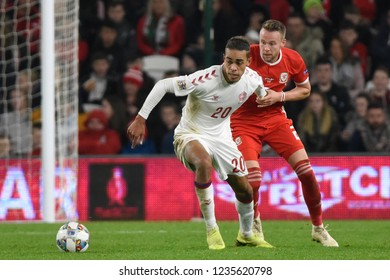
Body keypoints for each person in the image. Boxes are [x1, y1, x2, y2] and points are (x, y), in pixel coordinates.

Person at [128, 36, 273, 250]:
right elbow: (162, 85)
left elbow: (263, 95)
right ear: (223, 58)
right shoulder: (205, 79)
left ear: (248, 62)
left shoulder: (253, 79)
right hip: (190, 133)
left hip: (222, 138)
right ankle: (212, 230)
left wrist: (267, 102)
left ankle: (247, 234)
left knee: (246, 192)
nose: (233, 67)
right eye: (229, 61)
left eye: (239, 62)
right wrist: (141, 118)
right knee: (203, 163)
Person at [230, 19, 339, 247]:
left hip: (276, 119)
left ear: (283, 42)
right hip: (243, 122)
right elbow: (225, 76)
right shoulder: (247, 56)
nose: (265, 49)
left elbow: (305, 90)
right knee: (254, 179)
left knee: (307, 172)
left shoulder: (293, 59)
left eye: (271, 44)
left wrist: (279, 96)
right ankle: (255, 224)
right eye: (262, 43)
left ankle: (318, 228)